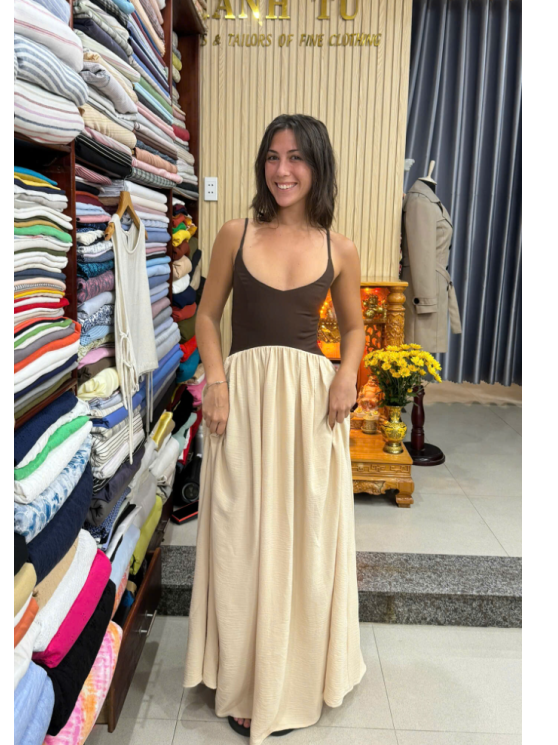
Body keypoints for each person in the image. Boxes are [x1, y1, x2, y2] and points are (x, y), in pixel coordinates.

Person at [183, 114, 367, 743]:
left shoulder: (339, 248)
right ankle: (243, 681)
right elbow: (208, 317)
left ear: (317, 166)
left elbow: (354, 328)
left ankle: (293, 678)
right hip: (242, 402)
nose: (282, 170)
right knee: (241, 538)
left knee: (304, 540)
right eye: (272, 157)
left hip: (310, 407)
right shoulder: (235, 234)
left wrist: (346, 375)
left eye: (296, 158)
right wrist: (216, 381)